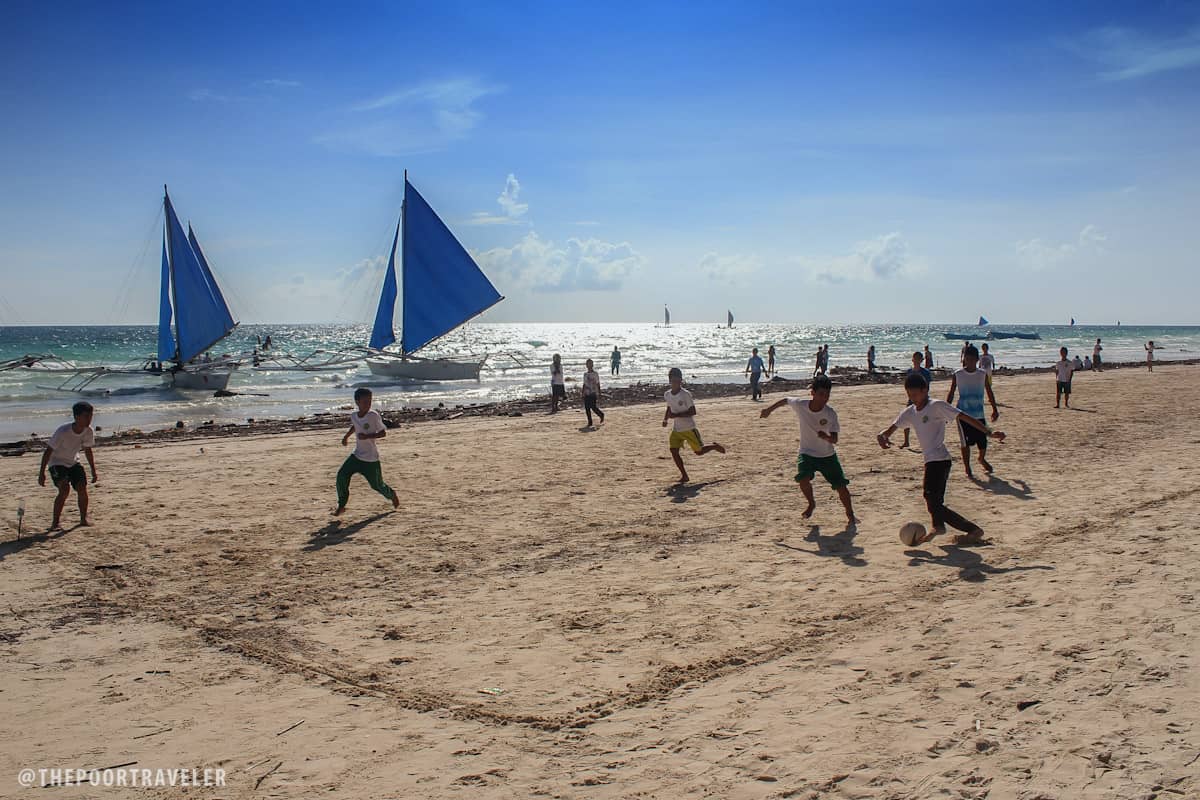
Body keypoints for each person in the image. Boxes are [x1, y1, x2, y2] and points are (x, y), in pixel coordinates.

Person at [877, 373, 1005, 545]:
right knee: (934, 501)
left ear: (925, 390)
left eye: (915, 394)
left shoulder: (936, 406)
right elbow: (891, 429)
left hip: (940, 460)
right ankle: (942, 526)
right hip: (930, 460)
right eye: (909, 395)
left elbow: (964, 417)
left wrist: (988, 432)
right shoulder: (910, 412)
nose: (913, 399)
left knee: (931, 499)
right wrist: (882, 436)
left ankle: (963, 529)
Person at [759, 375, 857, 523]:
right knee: (803, 479)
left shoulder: (830, 413)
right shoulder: (801, 405)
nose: (824, 398)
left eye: (827, 395)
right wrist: (768, 409)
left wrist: (826, 437)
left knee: (841, 486)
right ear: (812, 393)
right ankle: (811, 503)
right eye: (821, 394)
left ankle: (850, 515)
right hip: (807, 453)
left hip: (827, 455)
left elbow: (835, 439)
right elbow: (785, 400)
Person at [334, 388, 399, 516]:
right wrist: (346, 437)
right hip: (356, 455)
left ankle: (392, 494)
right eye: (365, 402)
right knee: (341, 475)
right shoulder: (354, 415)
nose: (368, 404)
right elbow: (355, 426)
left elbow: (383, 433)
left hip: (370, 459)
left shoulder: (373, 415)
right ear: (357, 402)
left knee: (377, 485)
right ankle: (341, 505)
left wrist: (368, 436)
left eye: (370, 401)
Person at [38, 401, 98, 529]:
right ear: (77, 417)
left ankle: (83, 519)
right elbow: (48, 451)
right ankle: (55, 522)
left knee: (82, 488)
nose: (89, 419)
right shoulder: (63, 431)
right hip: (57, 462)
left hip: (73, 462)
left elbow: (88, 450)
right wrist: (41, 473)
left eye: (91, 416)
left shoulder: (89, 431)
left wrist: (93, 470)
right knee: (64, 490)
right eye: (86, 416)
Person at [945, 344, 1000, 479]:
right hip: (962, 415)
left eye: (971, 359)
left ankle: (981, 459)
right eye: (966, 358)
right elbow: (951, 393)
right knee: (965, 443)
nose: (968, 361)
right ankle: (967, 467)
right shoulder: (958, 374)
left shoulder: (982, 374)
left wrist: (994, 409)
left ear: (977, 359)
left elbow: (989, 391)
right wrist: (946, 410)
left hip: (979, 414)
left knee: (983, 442)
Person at [663, 367, 726, 483]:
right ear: (669, 380)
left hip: (689, 428)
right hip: (677, 430)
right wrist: (665, 419)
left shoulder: (685, 394)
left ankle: (713, 446)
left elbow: (693, 411)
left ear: (681, 380)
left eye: (678, 380)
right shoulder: (667, 395)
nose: (676, 383)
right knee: (673, 451)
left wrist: (676, 415)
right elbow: (669, 407)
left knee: (699, 452)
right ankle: (684, 475)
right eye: (673, 380)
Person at [901, 351, 932, 448]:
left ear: (921, 360)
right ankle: (906, 441)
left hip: (923, 399)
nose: (916, 361)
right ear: (912, 360)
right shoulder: (910, 372)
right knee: (906, 418)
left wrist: (924, 398)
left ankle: (928, 441)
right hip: (912, 399)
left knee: (925, 421)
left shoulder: (925, 372)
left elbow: (927, 387)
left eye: (918, 359)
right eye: (915, 359)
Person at [582, 358, 605, 427]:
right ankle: (590, 422)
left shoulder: (595, 374)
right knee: (587, 408)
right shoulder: (585, 374)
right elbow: (584, 384)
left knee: (593, 407)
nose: (589, 365)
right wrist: (582, 392)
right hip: (587, 392)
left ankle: (601, 414)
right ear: (586, 365)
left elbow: (598, 383)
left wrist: (599, 392)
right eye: (588, 364)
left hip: (593, 392)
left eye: (590, 364)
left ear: (592, 365)